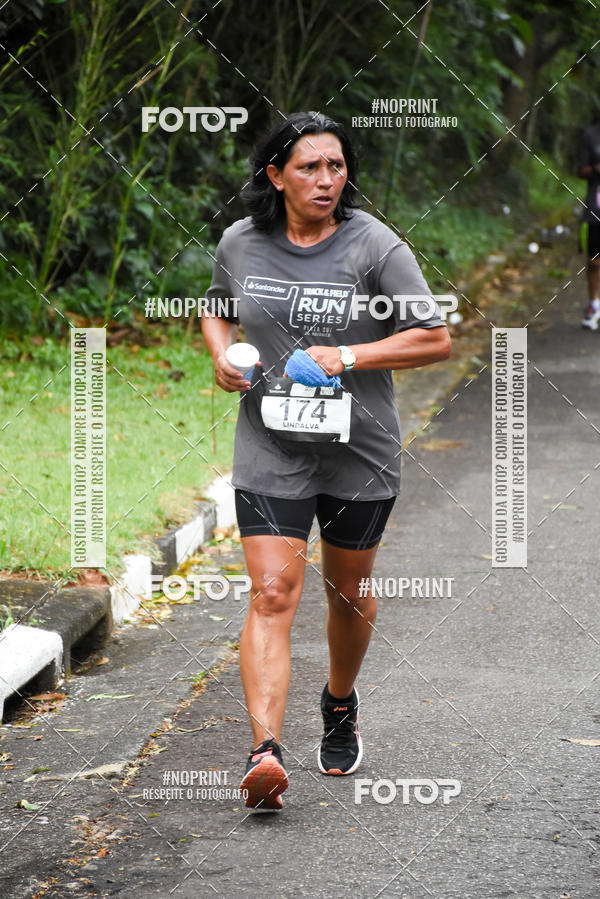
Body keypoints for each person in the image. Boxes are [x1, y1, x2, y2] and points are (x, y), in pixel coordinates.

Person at [202, 111, 451, 810]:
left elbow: (434, 338)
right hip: (271, 447)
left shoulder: (375, 245)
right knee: (272, 593)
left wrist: (348, 354)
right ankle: (265, 753)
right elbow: (217, 309)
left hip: (357, 453)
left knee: (348, 592)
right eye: (309, 167)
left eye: (336, 166)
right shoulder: (241, 242)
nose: (325, 179)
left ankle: (340, 701)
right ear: (276, 175)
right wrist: (221, 355)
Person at [576, 115, 600, 329]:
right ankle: (594, 304)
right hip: (596, 207)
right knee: (594, 261)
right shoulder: (590, 135)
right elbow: (580, 170)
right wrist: (596, 169)